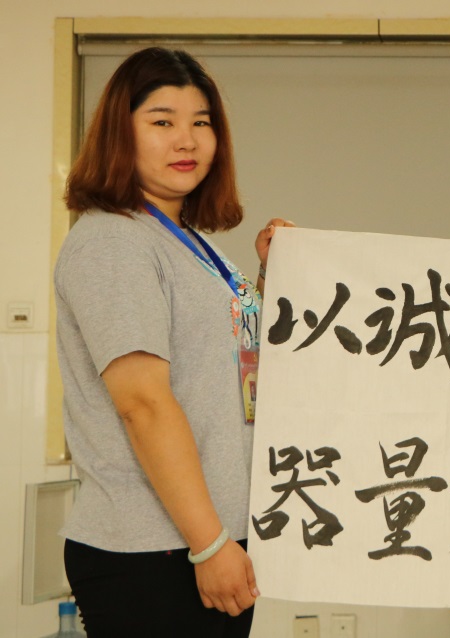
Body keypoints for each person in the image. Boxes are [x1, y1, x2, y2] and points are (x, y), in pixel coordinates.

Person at [55, 47, 292, 637]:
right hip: (156, 547)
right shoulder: (114, 242)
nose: (186, 140)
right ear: (120, 133)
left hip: (203, 537)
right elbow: (143, 403)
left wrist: (272, 276)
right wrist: (208, 544)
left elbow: (227, 365)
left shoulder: (188, 240)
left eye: (201, 122)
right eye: (162, 121)